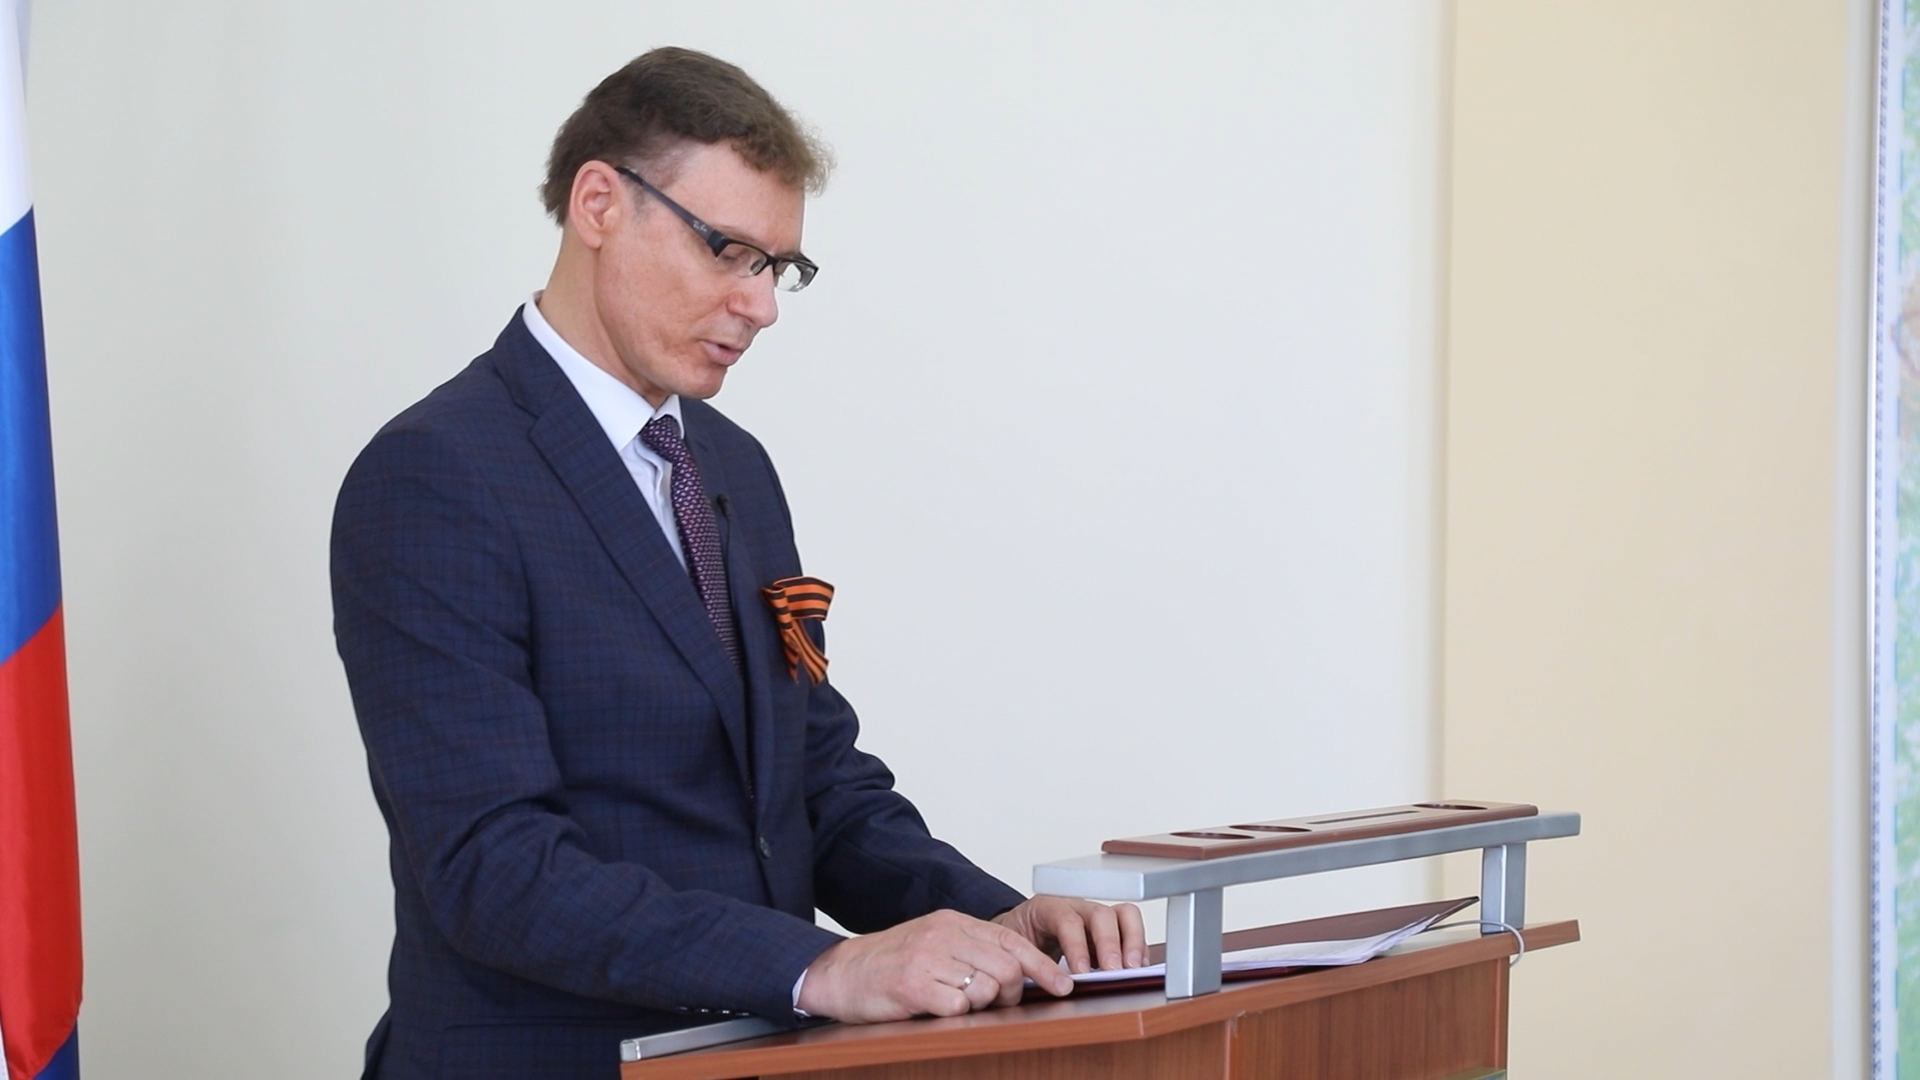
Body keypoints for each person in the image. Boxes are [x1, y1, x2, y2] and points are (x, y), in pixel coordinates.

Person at [330, 47, 1145, 1080]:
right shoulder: (437, 474)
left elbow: (811, 781)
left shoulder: (732, 468)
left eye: (778, 267)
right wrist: (819, 968)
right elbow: (493, 869)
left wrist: (999, 922)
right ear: (598, 204)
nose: (761, 305)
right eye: (729, 252)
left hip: (750, 1058)